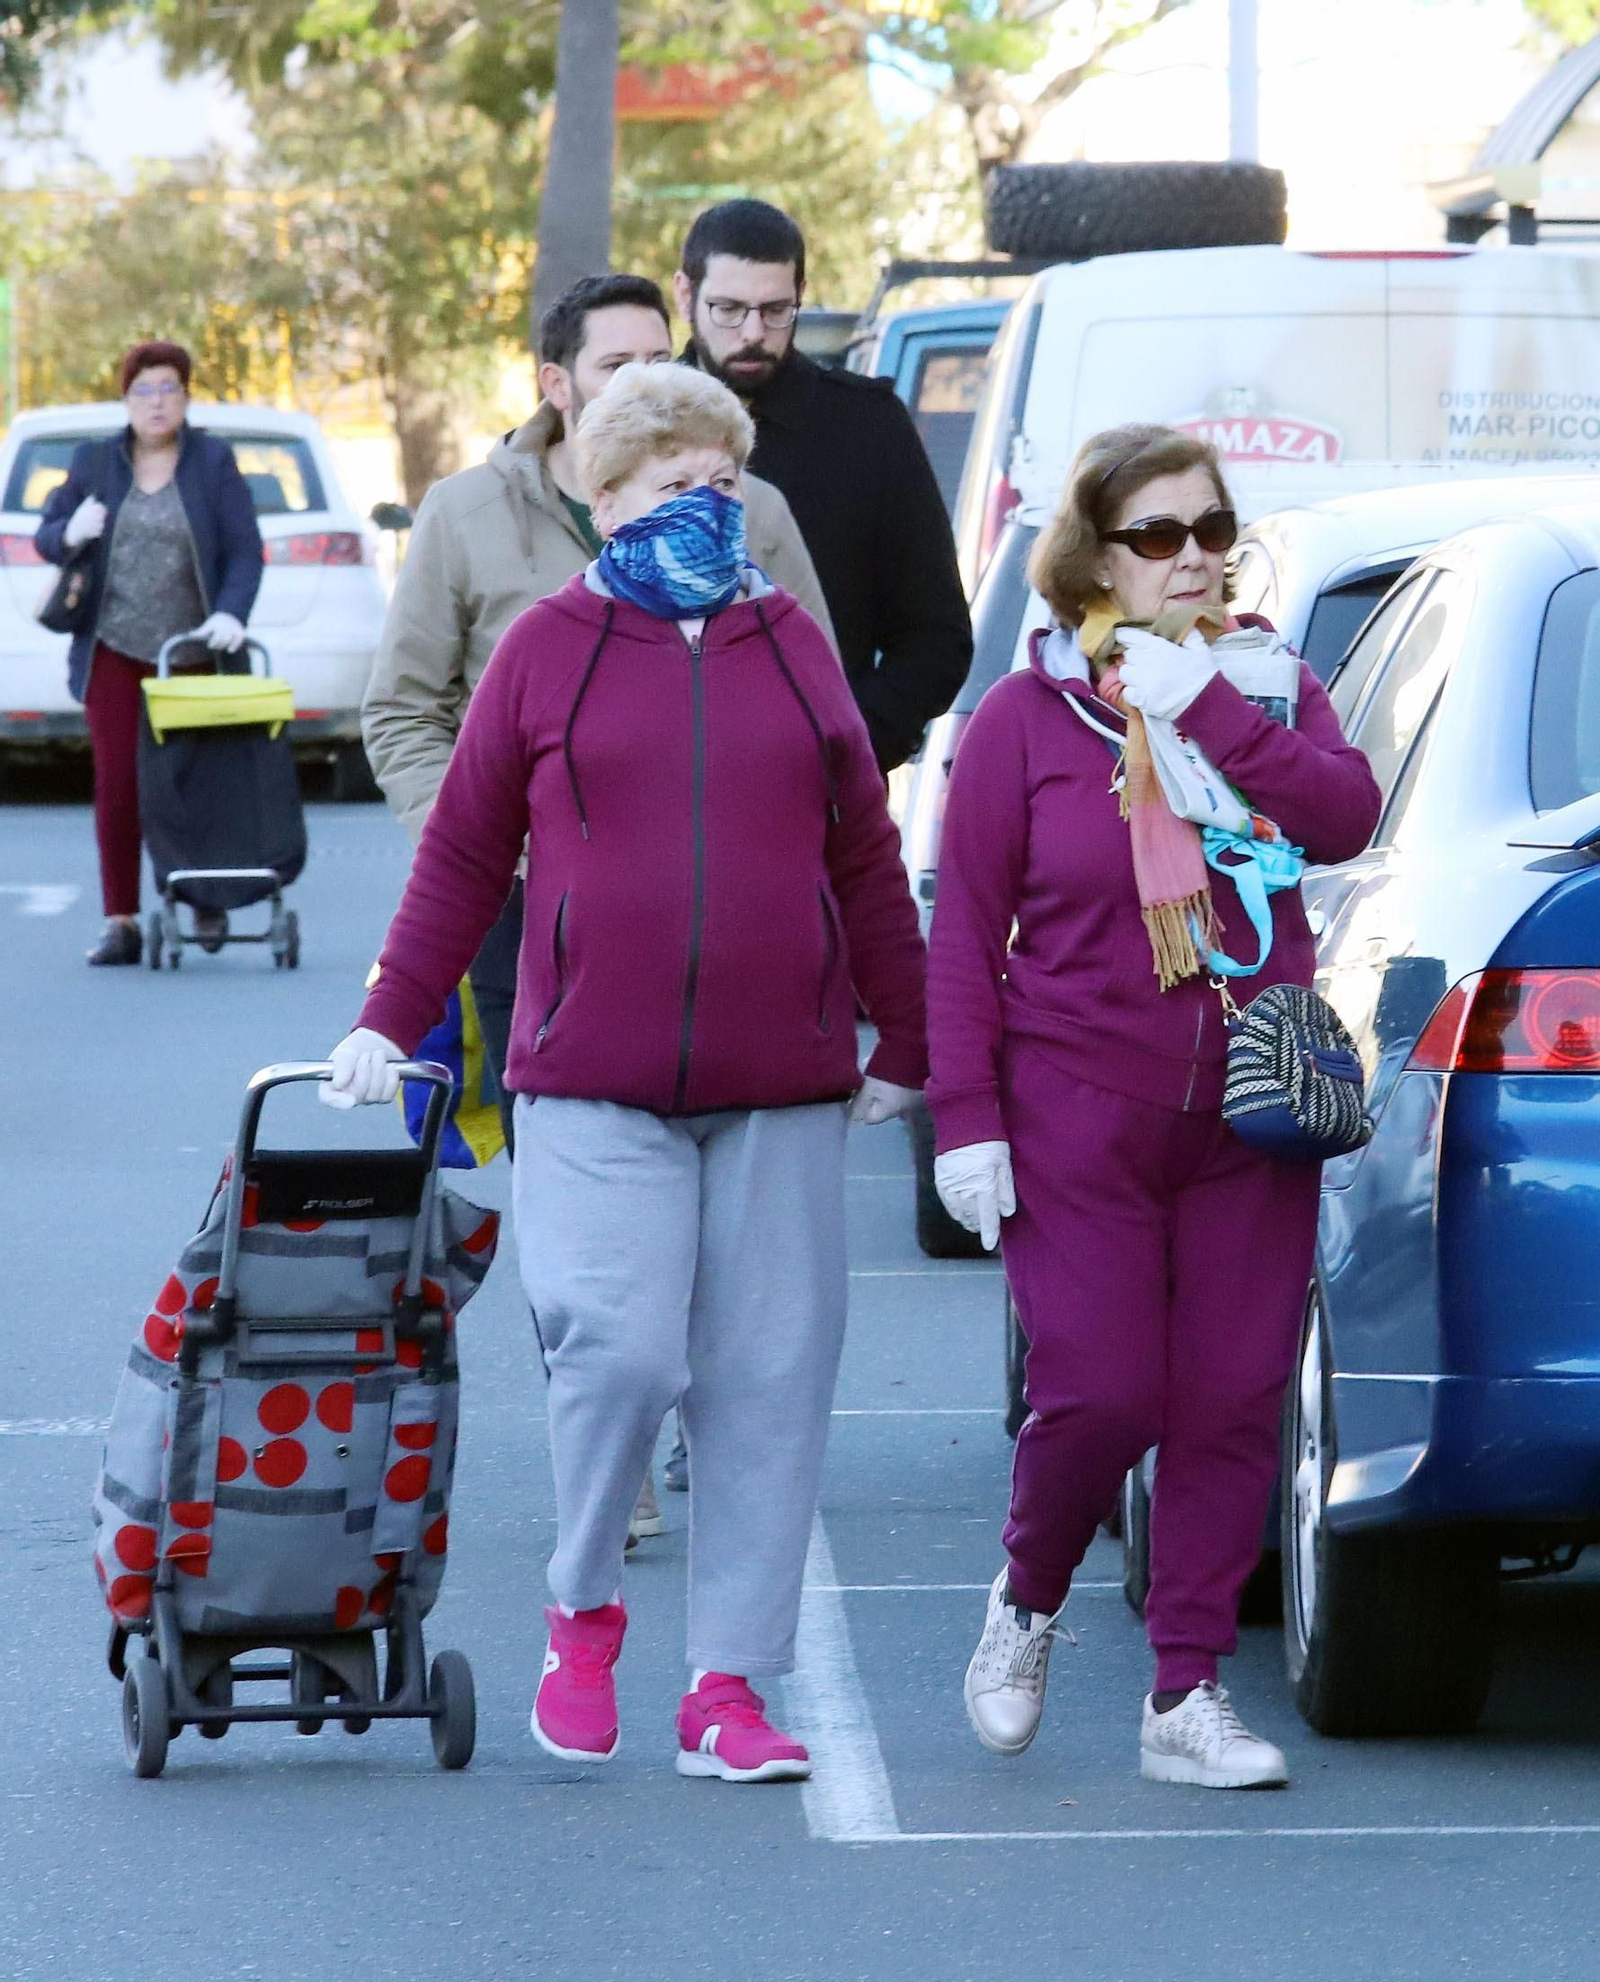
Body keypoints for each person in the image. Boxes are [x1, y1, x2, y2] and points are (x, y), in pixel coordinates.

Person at [322, 363, 926, 1784]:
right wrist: (392, 1013)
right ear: (604, 501)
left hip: (782, 1082)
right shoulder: (545, 649)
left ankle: (727, 1685)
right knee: (621, 1348)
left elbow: (865, 854)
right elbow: (466, 851)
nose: (705, 508)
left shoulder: (791, 645)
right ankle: (584, 1604)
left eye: (724, 483)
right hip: (588, 1077)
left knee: (771, 1382)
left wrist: (913, 1038)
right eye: (672, 485)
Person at [926, 423, 1380, 1789]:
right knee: (1105, 1388)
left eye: (1211, 529)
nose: (1193, 558)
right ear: (1096, 558)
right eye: (1159, 535)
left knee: (1236, 1395)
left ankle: (1186, 1690)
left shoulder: (1268, 686)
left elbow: (1344, 816)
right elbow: (966, 934)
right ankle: (1027, 1599)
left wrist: (1213, 709)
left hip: (1252, 1108)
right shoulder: (1023, 718)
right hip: (1076, 1100)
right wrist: (966, 1119)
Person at [361, 272, 833, 1539]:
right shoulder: (466, 515)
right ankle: (612, 1421)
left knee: (706, 1191)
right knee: (573, 1178)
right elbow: (402, 706)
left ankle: (684, 1401)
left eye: (653, 357)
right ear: (556, 383)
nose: (638, 379)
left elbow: (815, 700)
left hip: (721, 928)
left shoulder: (749, 509)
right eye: (611, 363)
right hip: (529, 906)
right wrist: (459, 821)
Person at [675, 198, 971, 774]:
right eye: (729, 310)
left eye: (776, 310)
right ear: (686, 295)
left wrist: (844, 742)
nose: (754, 333)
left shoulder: (867, 428)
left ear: (801, 294)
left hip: (829, 796)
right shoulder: (639, 426)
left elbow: (936, 640)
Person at [37, 340, 264, 966]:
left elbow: (245, 550)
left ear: (186, 398)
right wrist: (70, 530)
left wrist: (230, 613)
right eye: (144, 390)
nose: (157, 402)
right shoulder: (96, 462)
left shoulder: (212, 462)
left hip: (189, 649)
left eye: (169, 389)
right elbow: (47, 535)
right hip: (112, 647)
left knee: (191, 782)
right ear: (126, 399)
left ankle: (203, 896)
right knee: (118, 785)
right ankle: (122, 920)